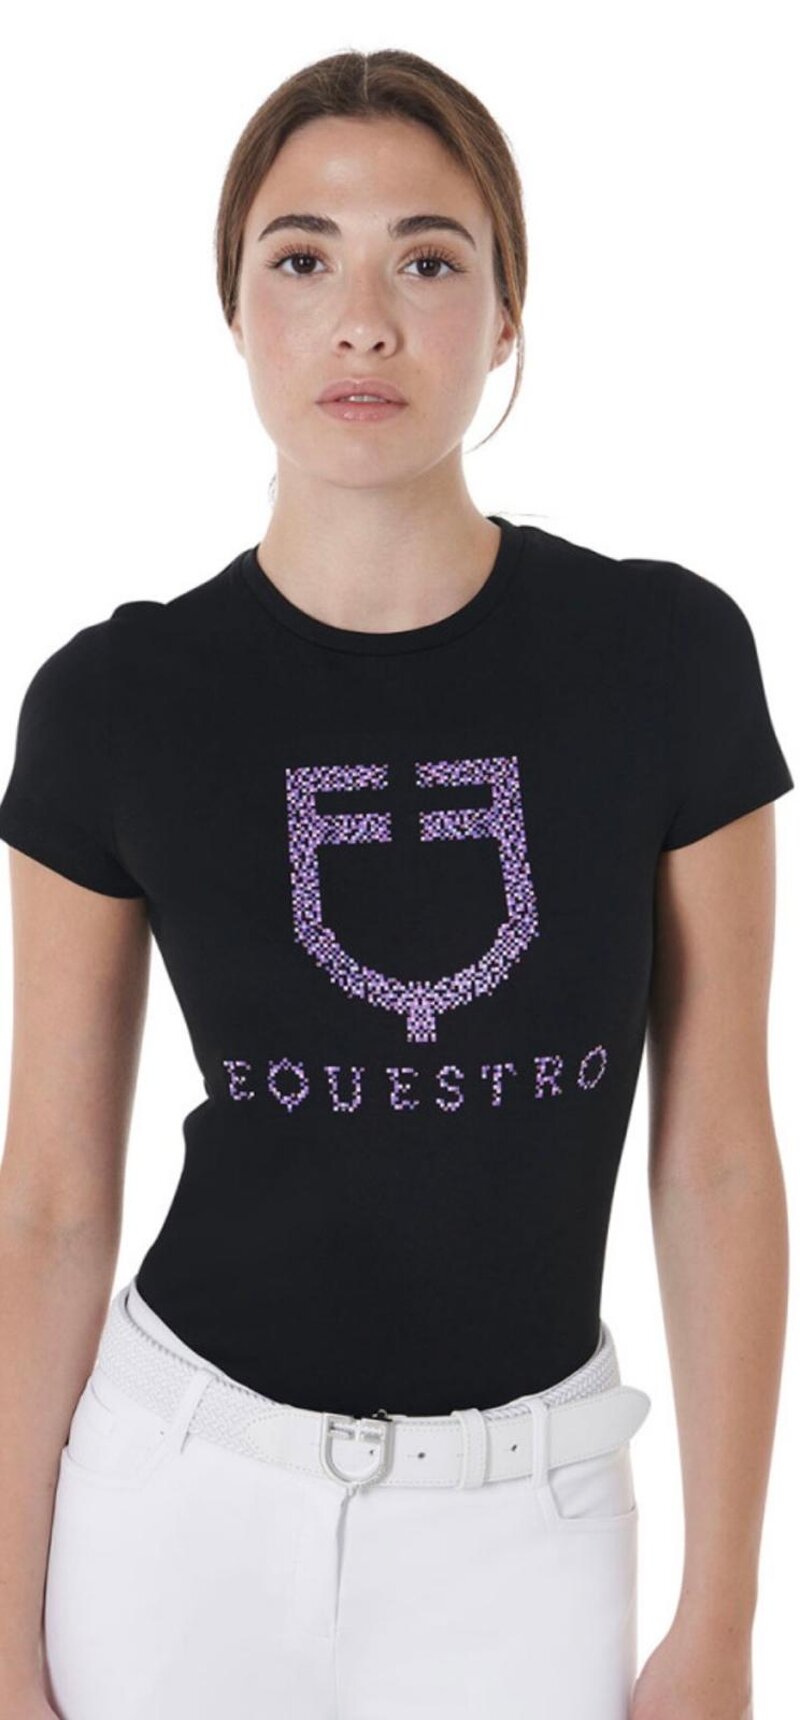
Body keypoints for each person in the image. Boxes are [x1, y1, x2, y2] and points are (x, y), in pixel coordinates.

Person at [0, 46, 793, 1720]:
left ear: (506, 315)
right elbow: (53, 1197)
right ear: (235, 309)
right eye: (302, 259)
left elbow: (719, 1155)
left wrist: (721, 1617)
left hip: (528, 1527)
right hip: (176, 1503)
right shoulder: (116, 701)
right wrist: (2, 1639)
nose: (362, 320)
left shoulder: (662, 658)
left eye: (428, 261)